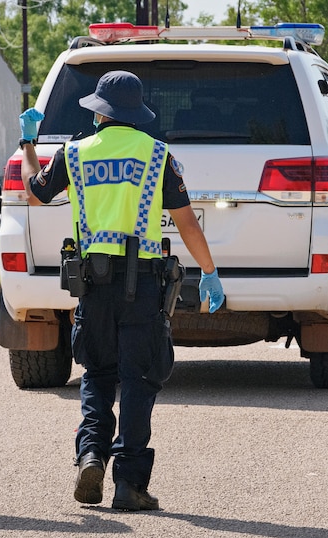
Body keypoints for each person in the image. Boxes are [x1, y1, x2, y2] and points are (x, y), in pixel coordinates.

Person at [19, 70, 224, 511]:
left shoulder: (73, 154)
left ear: (98, 113)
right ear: (136, 116)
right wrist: (208, 271)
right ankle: (129, 484)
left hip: (92, 287)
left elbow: (35, 195)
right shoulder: (157, 155)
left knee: (96, 375)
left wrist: (29, 144)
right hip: (144, 287)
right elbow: (187, 223)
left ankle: (91, 454)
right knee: (139, 380)